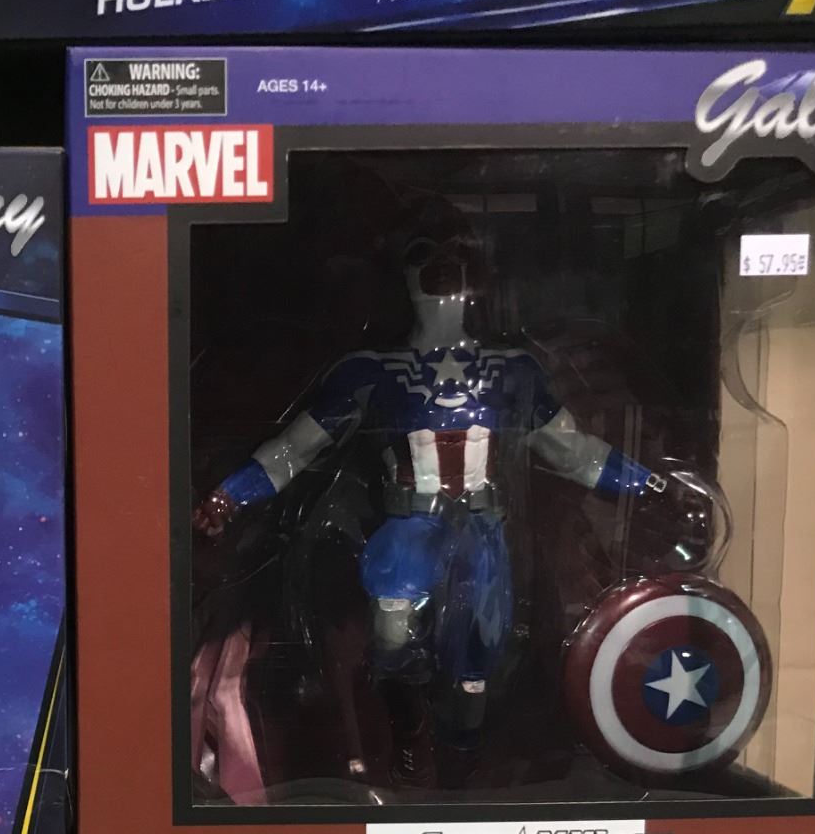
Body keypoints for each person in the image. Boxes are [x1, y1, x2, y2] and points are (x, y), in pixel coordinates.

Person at [196, 199, 667, 786]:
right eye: (426, 254)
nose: (443, 267)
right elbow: (297, 447)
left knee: (476, 661)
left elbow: (572, 450)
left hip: (481, 531)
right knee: (391, 639)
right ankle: (409, 734)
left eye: (457, 255)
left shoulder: (511, 371)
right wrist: (230, 495)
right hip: (408, 528)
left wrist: (647, 483)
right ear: (403, 269)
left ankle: (461, 764)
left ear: (477, 272)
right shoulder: (371, 372)